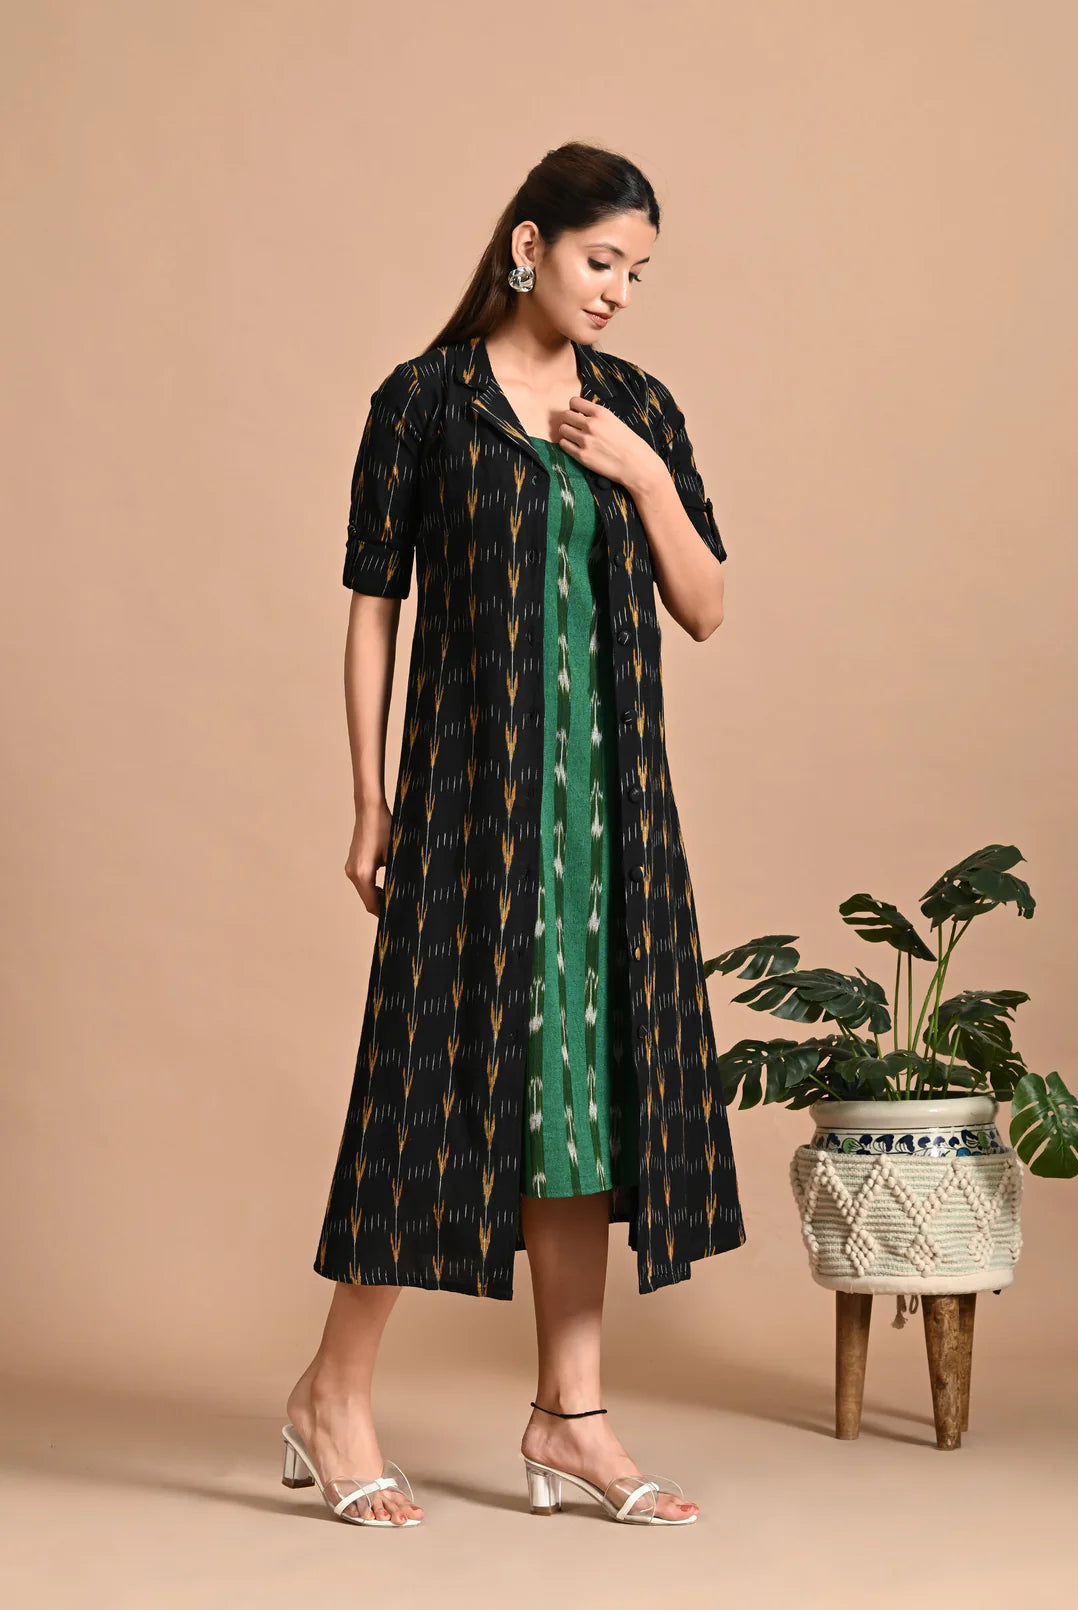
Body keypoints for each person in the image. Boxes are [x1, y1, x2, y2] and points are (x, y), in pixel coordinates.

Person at [282, 140, 747, 1528]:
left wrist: (645, 477)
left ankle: (571, 1415)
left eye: (639, 274)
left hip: (612, 820)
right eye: (603, 261)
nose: (618, 293)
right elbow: (374, 605)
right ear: (530, 244)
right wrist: (370, 796)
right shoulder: (424, 404)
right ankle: (331, 1394)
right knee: (425, 1089)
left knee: (584, 1095)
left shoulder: (637, 409)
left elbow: (707, 606)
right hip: (471, 810)